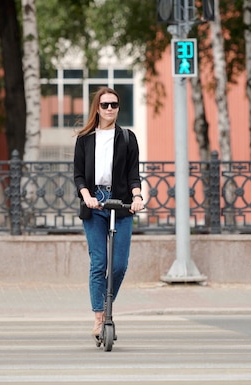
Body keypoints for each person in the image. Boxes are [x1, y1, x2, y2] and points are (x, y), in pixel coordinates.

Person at [73, 87, 143, 339]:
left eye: (114, 105)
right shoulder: (85, 139)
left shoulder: (127, 137)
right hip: (94, 203)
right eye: (105, 105)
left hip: (121, 203)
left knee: (119, 264)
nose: (110, 109)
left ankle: (106, 304)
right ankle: (99, 316)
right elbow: (78, 175)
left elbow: (133, 174)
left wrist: (137, 197)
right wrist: (87, 197)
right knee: (99, 262)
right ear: (97, 108)